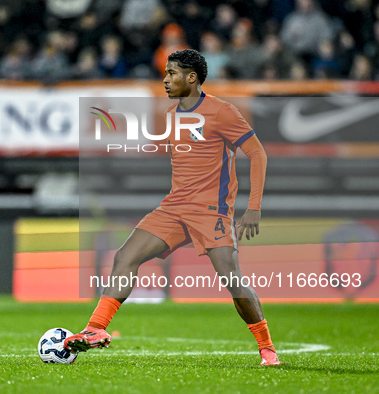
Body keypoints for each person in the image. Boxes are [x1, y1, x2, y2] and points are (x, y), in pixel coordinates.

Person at [65, 49, 281, 366]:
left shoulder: (222, 112)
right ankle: (96, 328)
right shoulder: (171, 116)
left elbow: (258, 154)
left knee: (231, 279)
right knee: (125, 256)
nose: (165, 80)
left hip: (211, 211)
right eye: (165, 73)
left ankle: (267, 348)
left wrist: (254, 207)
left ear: (191, 78)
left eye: (172, 73)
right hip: (174, 207)